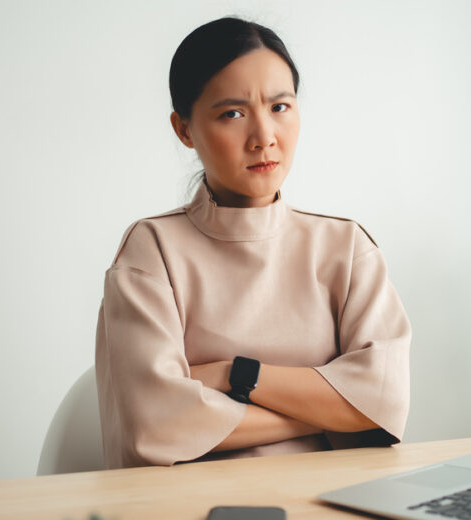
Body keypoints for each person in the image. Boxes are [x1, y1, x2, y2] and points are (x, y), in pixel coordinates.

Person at [94, 16, 412, 469]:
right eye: (233, 114)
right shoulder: (153, 251)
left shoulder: (346, 247)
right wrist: (333, 413)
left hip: (335, 496)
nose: (264, 138)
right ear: (184, 130)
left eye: (280, 107)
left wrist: (235, 375)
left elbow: (386, 399)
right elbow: (155, 427)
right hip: (192, 502)